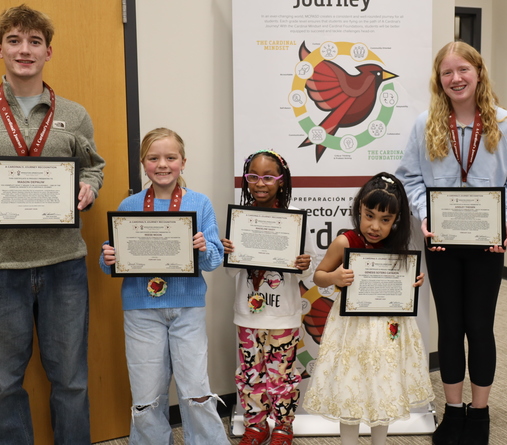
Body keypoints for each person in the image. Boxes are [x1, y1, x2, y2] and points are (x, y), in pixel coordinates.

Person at [0, 4, 105, 444]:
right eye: (14, 40)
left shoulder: (75, 114)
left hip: (64, 265)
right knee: (0, 386)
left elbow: (93, 167)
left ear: (48, 51)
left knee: (71, 380)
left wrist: (89, 187)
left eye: (35, 41)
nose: (24, 50)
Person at [395, 41, 507, 445]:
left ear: (478, 73)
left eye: (463, 70)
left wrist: (503, 216)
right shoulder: (425, 124)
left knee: (479, 326)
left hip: (486, 243)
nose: (456, 78)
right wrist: (424, 214)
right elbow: (409, 178)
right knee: (450, 325)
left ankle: (479, 413)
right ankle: (453, 410)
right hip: (440, 242)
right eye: (447, 72)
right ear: (438, 79)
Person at [100, 128, 229, 445]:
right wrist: (108, 257)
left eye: (171, 157)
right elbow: (112, 260)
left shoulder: (199, 203)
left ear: (183, 161)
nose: (162, 164)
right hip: (141, 311)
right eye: (153, 158)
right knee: (146, 395)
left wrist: (204, 248)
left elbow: (214, 260)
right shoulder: (129, 206)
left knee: (196, 391)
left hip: (187, 308)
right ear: (143, 163)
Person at [302, 172, 434, 445]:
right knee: (349, 384)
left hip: (387, 327)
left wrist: (413, 280)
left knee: (383, 385)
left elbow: (402, 280)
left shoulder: (398, 245)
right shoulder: (345, 241)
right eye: (369, 215)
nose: (375, 226)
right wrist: (335, 277)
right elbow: (319, 276)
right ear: (359, 209)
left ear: (396, 220)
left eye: (385, 220)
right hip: (352, 328)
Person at [221, 149, 314, 445]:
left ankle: (283, 426)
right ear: (246, 180)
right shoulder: (240, 218)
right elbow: (229, 273)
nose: (260, 183)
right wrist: (228, 253)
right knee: (251, 374)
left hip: (283, 316)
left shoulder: (293, 218)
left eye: (268, 177)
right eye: (253, 176)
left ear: (281, 180)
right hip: (247, 316)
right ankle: (256, 425)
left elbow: (307, 269)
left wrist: (304, 263)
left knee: (282, 376)